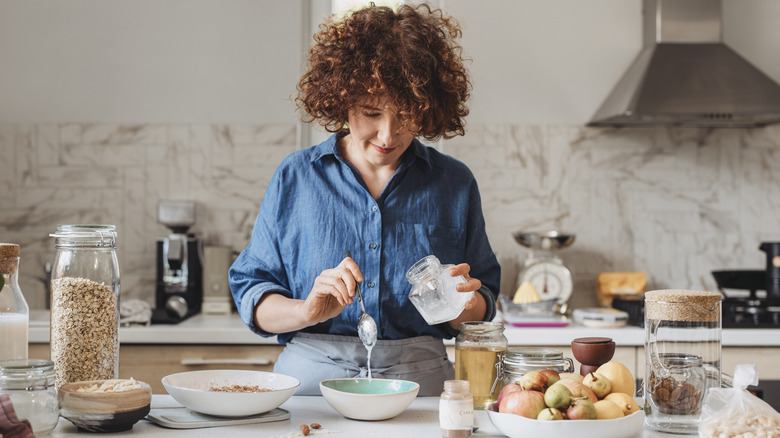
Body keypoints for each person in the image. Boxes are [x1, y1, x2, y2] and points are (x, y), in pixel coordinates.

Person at [229, 3, 500, 396]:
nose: (388, 135)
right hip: (310, 376)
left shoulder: (454, 182)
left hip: (420, 376)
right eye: (371, 112)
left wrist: (466, 305)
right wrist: (305, 309)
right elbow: (253, 293)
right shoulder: (297, 176)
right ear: (342, 100)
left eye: (406, 114)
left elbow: (483, 304)